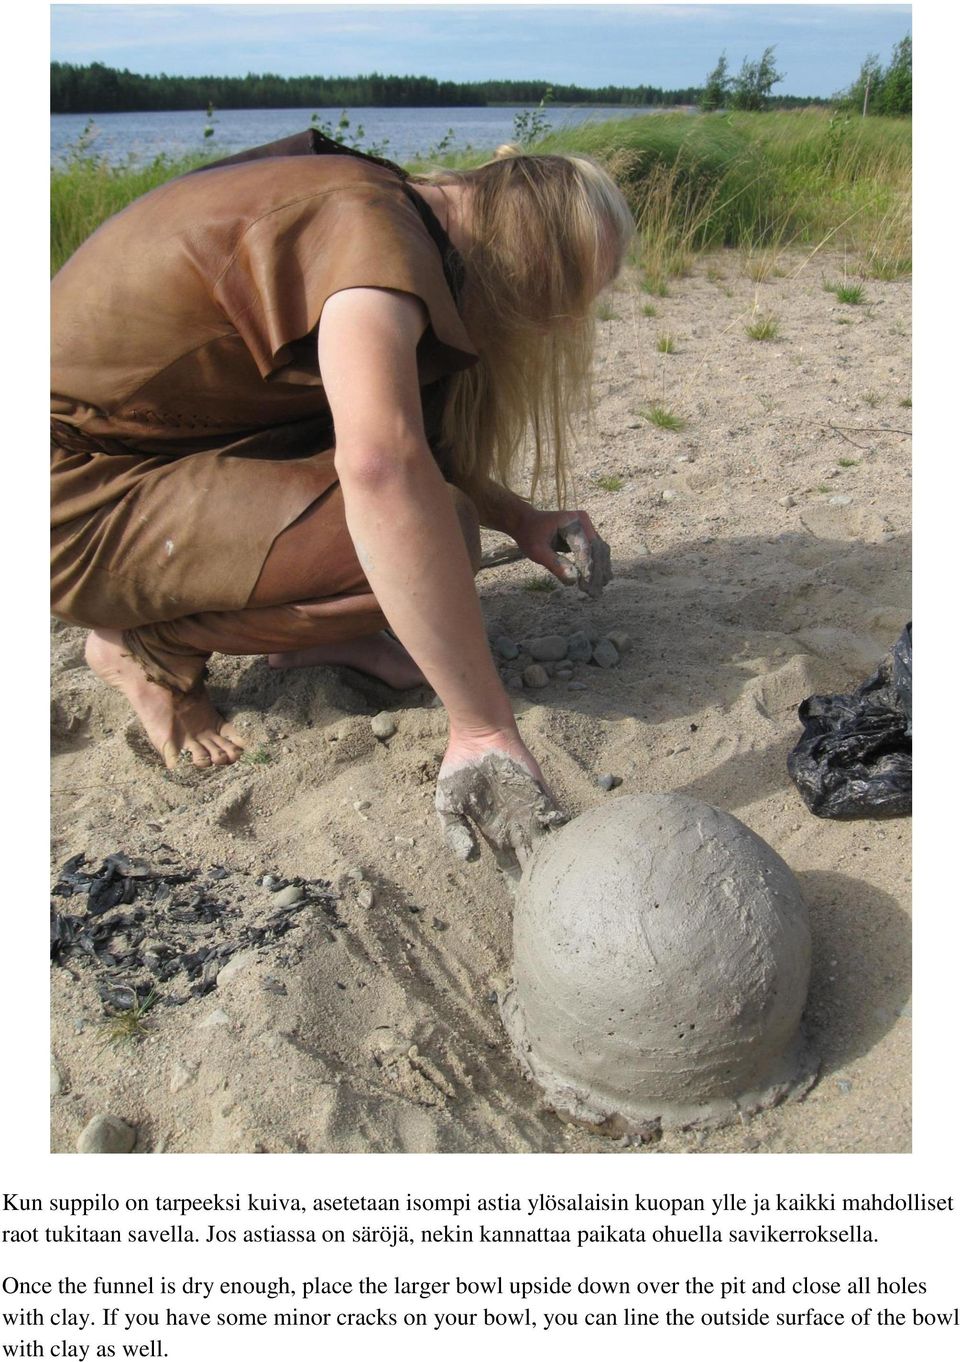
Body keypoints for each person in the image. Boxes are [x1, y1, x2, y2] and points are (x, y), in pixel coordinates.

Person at [51, 132, 635, 872]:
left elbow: (405, 434)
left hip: (149, 455)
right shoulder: (370, 251)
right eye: (567, 298)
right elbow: (382, 464)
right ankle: (146, 648)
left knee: (429, 535)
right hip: (67, 493)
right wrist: (483, 728)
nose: (565, 325)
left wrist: (522, 520)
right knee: (437, 535)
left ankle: (317, 634)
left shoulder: (400, 211)